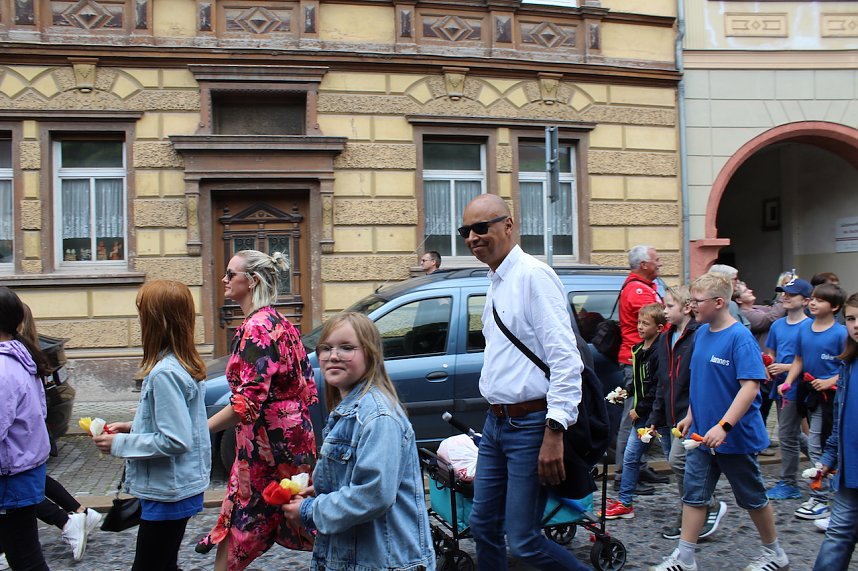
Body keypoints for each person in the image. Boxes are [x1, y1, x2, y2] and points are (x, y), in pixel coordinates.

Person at [459, 193, 590, 570]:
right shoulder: (496, 279)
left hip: (532, 426)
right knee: (482, 525)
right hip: (496, 424)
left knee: (524, 541)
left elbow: (566, 359)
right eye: (465, 231)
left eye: (481, 228)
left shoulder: (533, 275)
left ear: (508, 225)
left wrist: (554, 430)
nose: (472, 238)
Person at [648, 273, 789, 571]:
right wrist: (691, 416)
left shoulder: (740, 338)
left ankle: (775, 553)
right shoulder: (701, 334)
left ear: (719, 302)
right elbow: (701, 382)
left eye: (697, 302)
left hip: (734, 437)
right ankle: (685, 558)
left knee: (753, 498)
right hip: (701, 436)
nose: (693, 306)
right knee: (694, 496)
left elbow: (750, 387)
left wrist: (724, 426)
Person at [282, 312, 435, 570]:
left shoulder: (378, 416)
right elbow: (353, 479)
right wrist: (321, 491)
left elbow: (373, 494)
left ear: (370, 354)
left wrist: (311, 511)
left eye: (347, 348)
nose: (333, 355)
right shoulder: (349, 408)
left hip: (385, 561)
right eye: (326, 348)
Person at [199, 250, 318, 571]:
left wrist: (200, 429)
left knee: (246, 522)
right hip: (288, 442)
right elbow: (305, 387)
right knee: (300, 516)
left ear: (251, 281)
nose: (223, 279)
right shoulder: (280, 322)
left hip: (268, 451)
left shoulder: (257, 328)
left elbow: (247, 403)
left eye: (230, 273)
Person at [91, 280, 210, 571]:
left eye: (142, 313)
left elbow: (176, 439)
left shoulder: (164, 374)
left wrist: (119, 445)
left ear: (156, 321)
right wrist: (132, 427)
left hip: (168, 490)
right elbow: (180, 423)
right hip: (176, 485)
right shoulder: (182, 364)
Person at [16, 304, 102, 562]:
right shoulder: (29, 351)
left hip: (22, 435)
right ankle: (79, 513)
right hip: (32, 432)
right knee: (33, 480)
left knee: (19, 491)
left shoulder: (18, 355)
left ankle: (66, 521)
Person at [647, 285, 726, 540]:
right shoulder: (665, 337)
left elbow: (700, 377)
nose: (664, 311)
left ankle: (704, 505)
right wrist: (655, 418)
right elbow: (662, 380)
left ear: (687, 307)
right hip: (672, 415)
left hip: (691, 413)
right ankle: (692, 511)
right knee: (681, 465)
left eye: (669, 306)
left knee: (679, 462)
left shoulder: (699, 334)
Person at [779, 282, 847, 523]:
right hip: (808, 393)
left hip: (832, 398)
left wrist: (830, 381)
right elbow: (799, 359)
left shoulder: (841, 333)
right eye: (813, 298)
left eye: (820, 299)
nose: (814, 302)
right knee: (814, 441)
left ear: (835, 307)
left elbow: (848, 366)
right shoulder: (805, 330)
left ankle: (821, 497)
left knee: (818, 442)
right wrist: (788, 382)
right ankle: (824, 494)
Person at [0, 287, 52, 571]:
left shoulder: (4, 367)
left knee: (25, 559)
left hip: (11, 477)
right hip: (20, 471)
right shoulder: (20, 355)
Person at [603, 303, 664, 520]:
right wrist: (626, 393)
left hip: (658, 417)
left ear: (659, 328)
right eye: (638, 322)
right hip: (644, 417)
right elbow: (640, 383)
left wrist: (640, 409)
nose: (639, 327)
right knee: (630, 457)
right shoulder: (639, 349)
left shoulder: (659, 353)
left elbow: (656, 386)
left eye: (645, 324)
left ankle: (696, 503)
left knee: (675, 458)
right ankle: (625, 502)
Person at [812, 292, 858, 570]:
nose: (855, 325)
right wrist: (829, 458)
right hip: (850, 472)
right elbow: (841, 421)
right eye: (851, 319)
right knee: (838, 534)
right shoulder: (848, 364)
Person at [616, 245, 666, 490]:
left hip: (643, 360)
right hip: (637, 362)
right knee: (633, 418)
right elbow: (660, 321)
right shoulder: (638, 290)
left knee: (642, 418)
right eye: (656, 260)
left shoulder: (644, 287)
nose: (660, 263)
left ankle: (638, 467)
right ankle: (624, 475)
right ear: (644, 264)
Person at [765, 277, 813, 502]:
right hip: (779, 386)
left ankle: (789, 483)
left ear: (805, 301)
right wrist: (769, 366)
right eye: (783, 293)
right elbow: (771, 352)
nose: (784, 297)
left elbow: (807, 361)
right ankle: (826, 465)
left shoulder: (808, 327)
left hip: (797, 387)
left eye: (791, 295)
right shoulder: (777, 325)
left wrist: (784, 367)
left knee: (786, 434)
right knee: (793, 433)